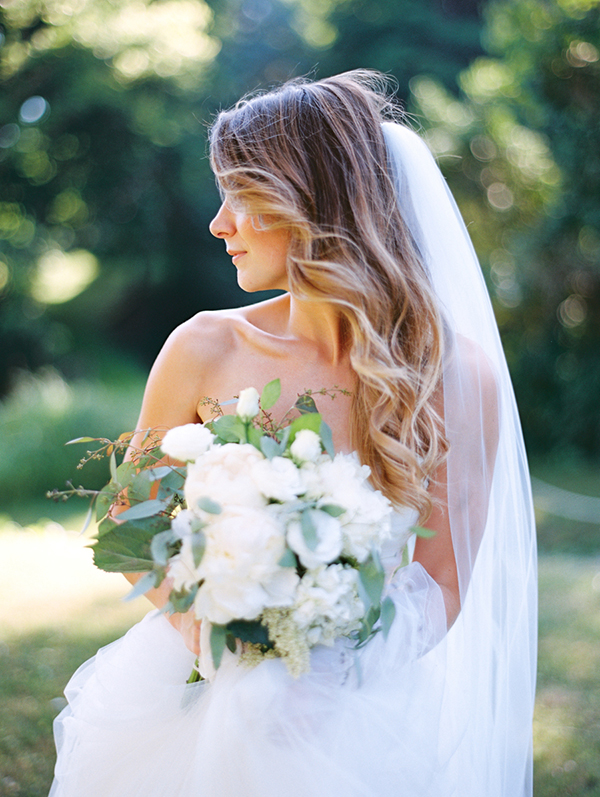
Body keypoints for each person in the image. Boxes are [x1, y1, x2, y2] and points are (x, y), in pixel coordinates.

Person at [49, 70, 537, 797]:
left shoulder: (457, 376)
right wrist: (228, 645)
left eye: (240, 197)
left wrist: (325, 673)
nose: (218, 224)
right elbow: (127, 519)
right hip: (194, 680)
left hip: (359, 703)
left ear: (312, 202)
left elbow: (441, 577)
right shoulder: (203, 346)